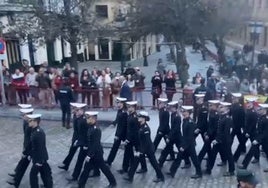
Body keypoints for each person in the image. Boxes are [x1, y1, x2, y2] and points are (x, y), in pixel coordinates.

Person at [78, 111, 117, 188]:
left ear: (94, 119)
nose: (87, 120)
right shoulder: (91, 127)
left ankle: (113, 182)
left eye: (88, 118)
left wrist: (89, 155)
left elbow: (95, 144)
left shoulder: (96, 130)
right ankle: (81, 185)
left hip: (96, 154)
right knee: (86, 169)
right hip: (92, 153)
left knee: (103, 168)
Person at [124, 111, 165, 183]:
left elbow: (146, 142)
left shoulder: (146, 128)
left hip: (148, 149)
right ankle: (130, 176)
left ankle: (160, 176)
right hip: (143, 148)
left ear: (144, 118)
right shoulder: (141, 126)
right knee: (135, 162)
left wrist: (140, 151)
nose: (138, 118)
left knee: (154, 164)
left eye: (140, 117)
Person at [66, 103, 100, 181]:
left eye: (78, 110)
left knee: (80, 160)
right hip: (84, 142)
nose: (76, 111)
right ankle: (96, 171)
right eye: (76, 110)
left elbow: (87, 134)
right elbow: (79, 132)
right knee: (93, 159)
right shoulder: (79, 118)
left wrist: (84, 144)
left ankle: (75, 176)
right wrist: (77, 140)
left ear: (82, 110)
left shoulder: (84, 120)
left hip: (86, 143)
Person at [167, 106, 202, 179]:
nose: (182, 112)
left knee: (194, 159)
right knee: (179, 158)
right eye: (182, 111)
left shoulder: (190, 122)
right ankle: (172, 171)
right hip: (186, 143)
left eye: (184, 111)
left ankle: (199, 173)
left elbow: (190, 137)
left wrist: (183, 146)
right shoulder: (185, 120)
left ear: (188, 113)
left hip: (189, 144)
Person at [7, 106, 34, 187]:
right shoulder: (26, 122)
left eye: (24, 114)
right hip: (27, 147)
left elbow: (31, 139)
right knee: (23, 163)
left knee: (25, 165)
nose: (22, 115)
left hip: (30, 149)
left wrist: (27, 150)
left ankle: (16, 180)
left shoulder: (30, 125)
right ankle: (16, 177)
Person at [205, 102, 235, 176]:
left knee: (229, 155)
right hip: (219, 140)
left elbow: (225, 132)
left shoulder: (227, 119)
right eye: (220, 107)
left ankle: (231, 171)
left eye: (222, 107)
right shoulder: (221, 116)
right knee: (213, 154)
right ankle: (208, 169)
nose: (220, 108)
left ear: (227, 109)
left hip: (225, 141)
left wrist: (218, 140)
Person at [117, 101, 147, 174]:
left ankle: (144, 167)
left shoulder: (134, 117)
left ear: (133, 108)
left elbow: (134, 130)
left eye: (129, 107)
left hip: (135, 138)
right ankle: (125, 168)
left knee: (139, 153)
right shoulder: (130, 115)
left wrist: (128, 139)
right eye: (128, 106)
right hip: (130, 138)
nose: (128, 108)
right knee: (127, 153)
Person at [158, 101, 190, 168]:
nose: (169, 108)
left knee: (181, 150)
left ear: (174, 107)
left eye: (171, 107)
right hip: (173, 135)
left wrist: (169, 137)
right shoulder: (172, 114)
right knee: (166, 149)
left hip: (177, 136)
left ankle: (187, 162)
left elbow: (176, 128)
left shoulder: (177, 116)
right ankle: (160, 162)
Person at [239, 103, 268, 171]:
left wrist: (258, 140)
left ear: (265, 110)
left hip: (265, 139)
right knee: (251, 151)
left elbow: (265, 132)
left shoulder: (266, 119)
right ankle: (244, 165)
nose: (258, 110)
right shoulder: (260, 117)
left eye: (260, 109)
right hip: (258, 138)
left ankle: (244, 165)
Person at [27, 114, 53, 188]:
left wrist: (39, 161)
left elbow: (40, 148)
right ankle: (48, 186)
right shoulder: (34, 130)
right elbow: (33, 146)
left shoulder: (38, 133)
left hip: (39, 158)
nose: (28, 122)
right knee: (45, 173)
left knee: (33, 175)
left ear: (35, 122)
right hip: (39, 158)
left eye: (30, 120)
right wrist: (30, 154)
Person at [106, 97, 128, 166]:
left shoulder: (124, 113)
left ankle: (129, 163)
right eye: (118, 103)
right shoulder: (120, 111)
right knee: (114, 147)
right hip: (120, 132)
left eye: (120, 103)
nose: (118, 104)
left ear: (123, 104)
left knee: (128, 149)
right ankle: (109, 161)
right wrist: (114, 123)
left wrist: (117, 135)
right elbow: (118, 120)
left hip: (124, 133)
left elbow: (123, 126)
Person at [236, 97, 259, 164]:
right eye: (247, 103)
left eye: (249, 103)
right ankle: (235, 157)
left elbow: (253, 124)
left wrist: (248, 132)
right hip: (246, 131)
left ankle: (256, 158)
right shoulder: (247, 110)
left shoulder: (253, 112)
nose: (247, 104)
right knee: (241, 144)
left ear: (252, 104)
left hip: (252, 132)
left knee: (255, 146)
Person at [231, 93, 246, 162]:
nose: (232, 99)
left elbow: (243, 118)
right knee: (239, 139)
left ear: (237, 99)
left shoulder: (240, 108)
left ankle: (242, 149)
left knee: (239, 139)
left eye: (234, 98)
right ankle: (243, 149)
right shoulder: (233, 106)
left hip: (238, 126)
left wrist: (242, 127)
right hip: (234, 126)